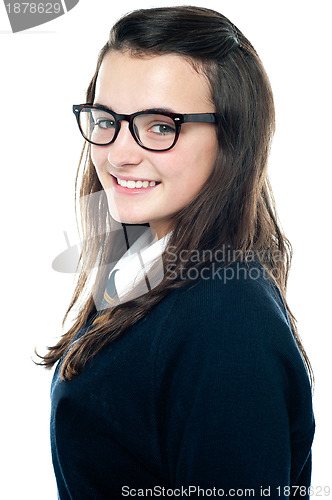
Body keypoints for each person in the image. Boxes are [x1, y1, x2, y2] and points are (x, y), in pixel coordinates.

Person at [39, 6, 315, 499]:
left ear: (231, 138)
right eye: (107, 120)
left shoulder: (227, 315)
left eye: (160, 126)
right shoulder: (145, 263)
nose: (119, 153)